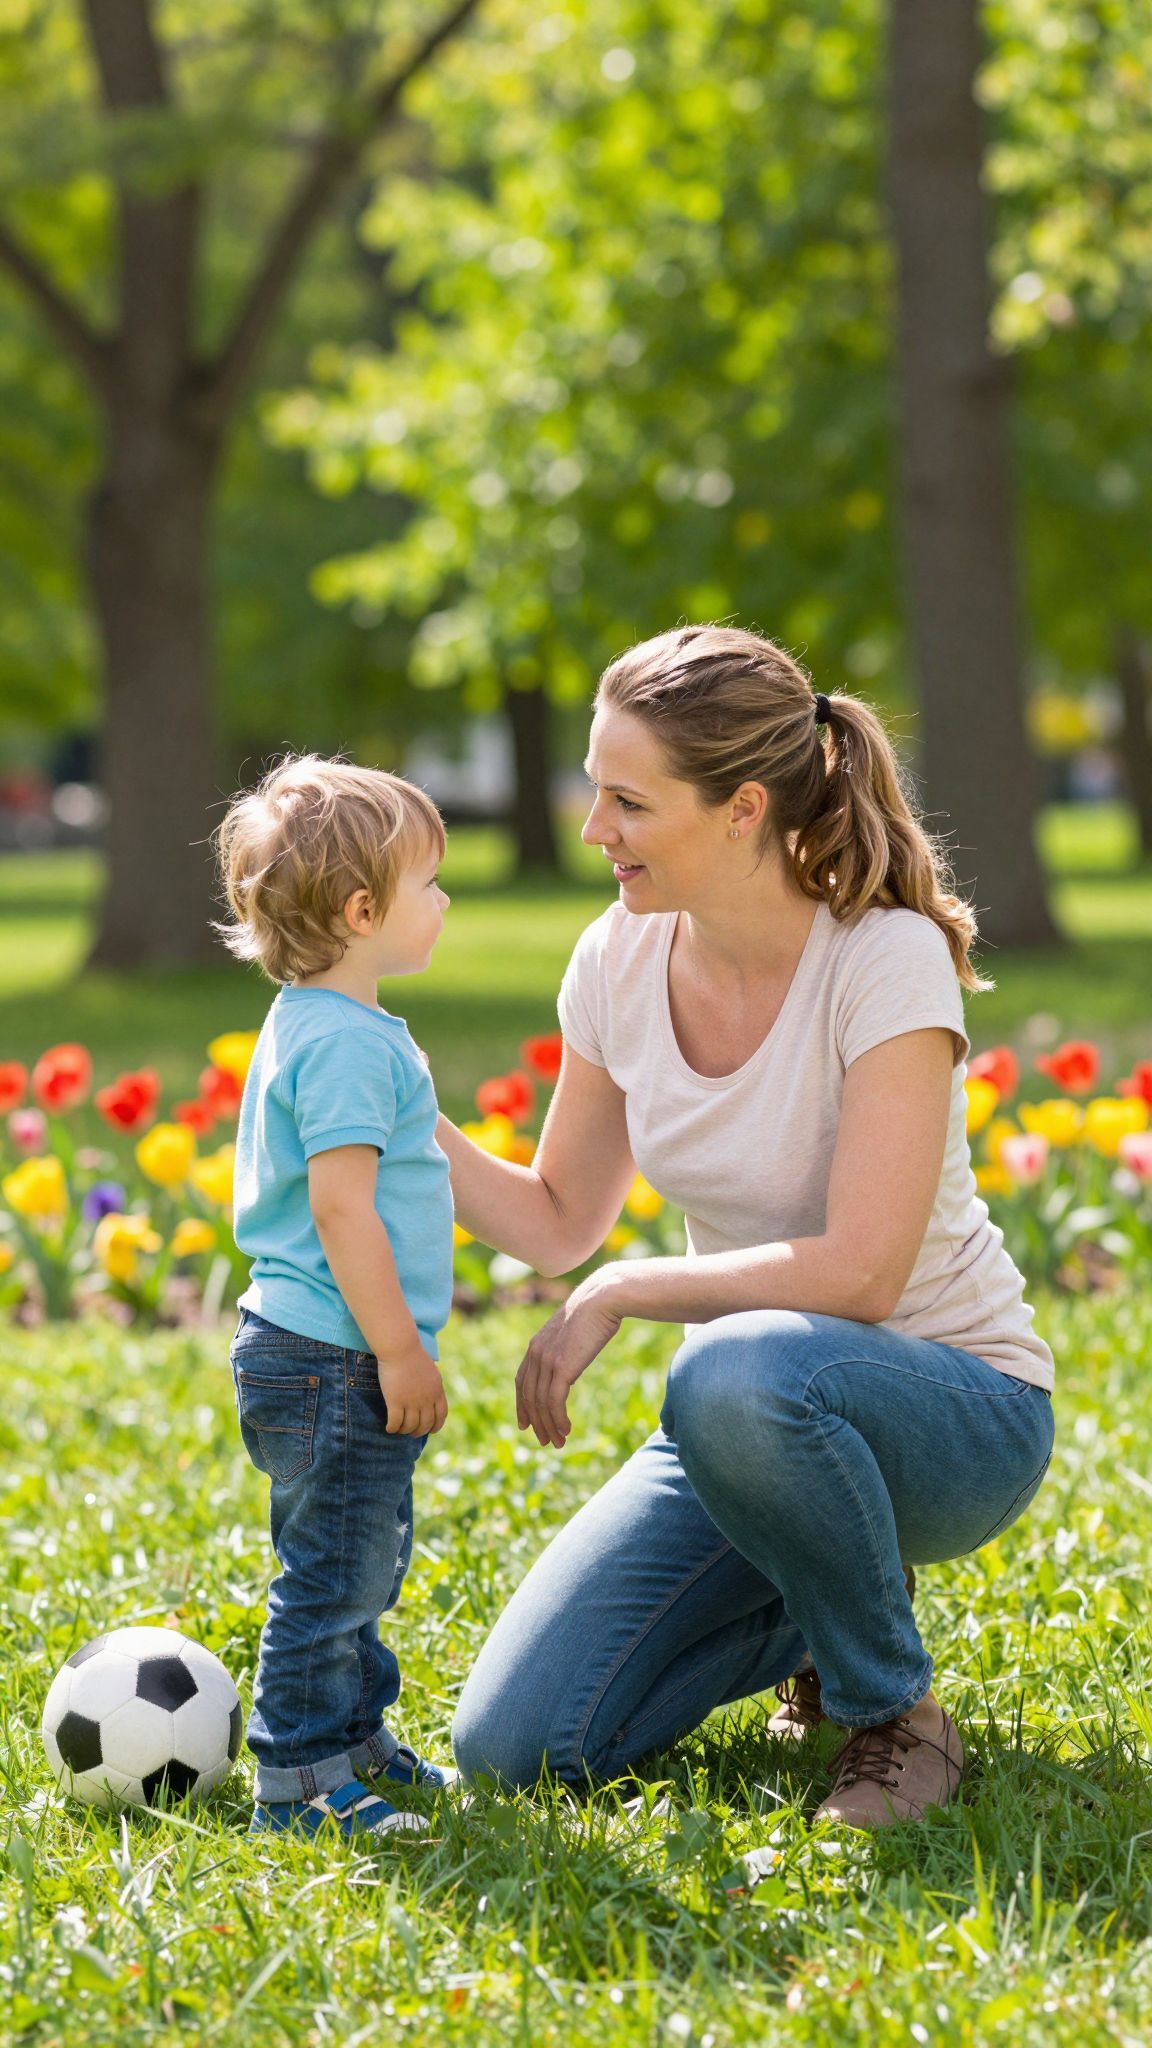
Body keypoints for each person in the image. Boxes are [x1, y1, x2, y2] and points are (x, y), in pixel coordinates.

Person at [442, 626, 1055, 1829]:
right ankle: (825, 1601)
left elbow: (864, 1273)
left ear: (743, 809)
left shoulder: (884, 957)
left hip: (953, 1410)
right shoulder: (616, 958)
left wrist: (627, 1292)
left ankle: (891, 1711)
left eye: (628, 799)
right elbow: (561, 1214)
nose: (592, 828)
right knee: (516, 1742)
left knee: (726, 1363)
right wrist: (399, 1119)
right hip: (752, 1426)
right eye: (593, 789)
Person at [212, 756, 457, 1840]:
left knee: (364, 1550)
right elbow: (343, 1208)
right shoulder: (352, 1044)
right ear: (364, 911)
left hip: (300, 1346)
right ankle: (301, 1779)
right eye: (430, 886)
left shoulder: (309, 1018)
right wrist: (399, 1349)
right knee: (333, 1570)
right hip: (338, 1352)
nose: (446, 902)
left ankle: (357, 1737)